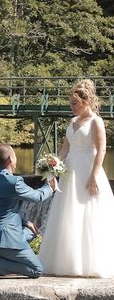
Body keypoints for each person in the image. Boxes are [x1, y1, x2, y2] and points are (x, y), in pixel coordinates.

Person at [38, 79, 114, 277]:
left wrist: (93, 177)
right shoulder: (72, 122)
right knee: (67, 214)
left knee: (88, 214)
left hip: (88, 169)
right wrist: (53, 163)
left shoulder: (96, 121)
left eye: (74, 103)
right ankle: (67, 262)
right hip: (70, 171)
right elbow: (65, 148)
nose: (71, 107)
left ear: (86, 100)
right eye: (70, 103)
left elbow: (102, 150)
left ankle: (89, 264)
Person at [0, 143, 56, 280]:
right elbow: (38, 197)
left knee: (31, 231)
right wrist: (50, 187)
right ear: (10, 159)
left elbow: (3, 208)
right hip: (6, 239)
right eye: (15, 155)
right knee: (37, 269)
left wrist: (26, 222)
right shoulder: (14, 182)